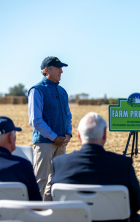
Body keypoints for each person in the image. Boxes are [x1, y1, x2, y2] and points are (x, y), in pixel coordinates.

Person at [51, 112, 140, 222]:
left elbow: (56, 202)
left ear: (79, 135)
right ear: (104, 134)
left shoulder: (59, 163)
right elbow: (137, 203)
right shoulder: (122, 164)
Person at [28, 56, 72, 201]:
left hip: (61, 142)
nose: (61, 71)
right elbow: (35, 120)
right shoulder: (37, 90)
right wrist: (54, 137)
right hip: (44, 143)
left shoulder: (63, 91)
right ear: (47, 70)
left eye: (61, 68)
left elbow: (68, 115)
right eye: (58, 68)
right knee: (40, 180)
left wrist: (68, 134)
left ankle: (51, 214)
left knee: (56, 182)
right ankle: (34, 214)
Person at [0, 116, 42, 201]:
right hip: (17, 214)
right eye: (14, 133)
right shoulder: (23, 166)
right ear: (11, 137)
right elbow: (37, 204)